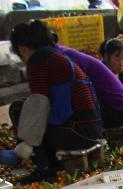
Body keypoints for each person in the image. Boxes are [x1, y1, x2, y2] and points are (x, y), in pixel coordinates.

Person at [0, 20, 102, 176]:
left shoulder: (38, 61)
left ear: (23, 50)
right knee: (27, 109)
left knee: (18, 109)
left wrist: (24, 146)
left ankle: (45, 167)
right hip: (92, 129)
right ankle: (49, 161)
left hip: (77, 132)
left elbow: (39, 104)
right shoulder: (54, 55)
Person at [48, 31, 123, 129]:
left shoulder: (61, 56)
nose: (121, 63)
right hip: (120, 107)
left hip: (117, 110)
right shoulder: (64, 52)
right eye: (117, 58)